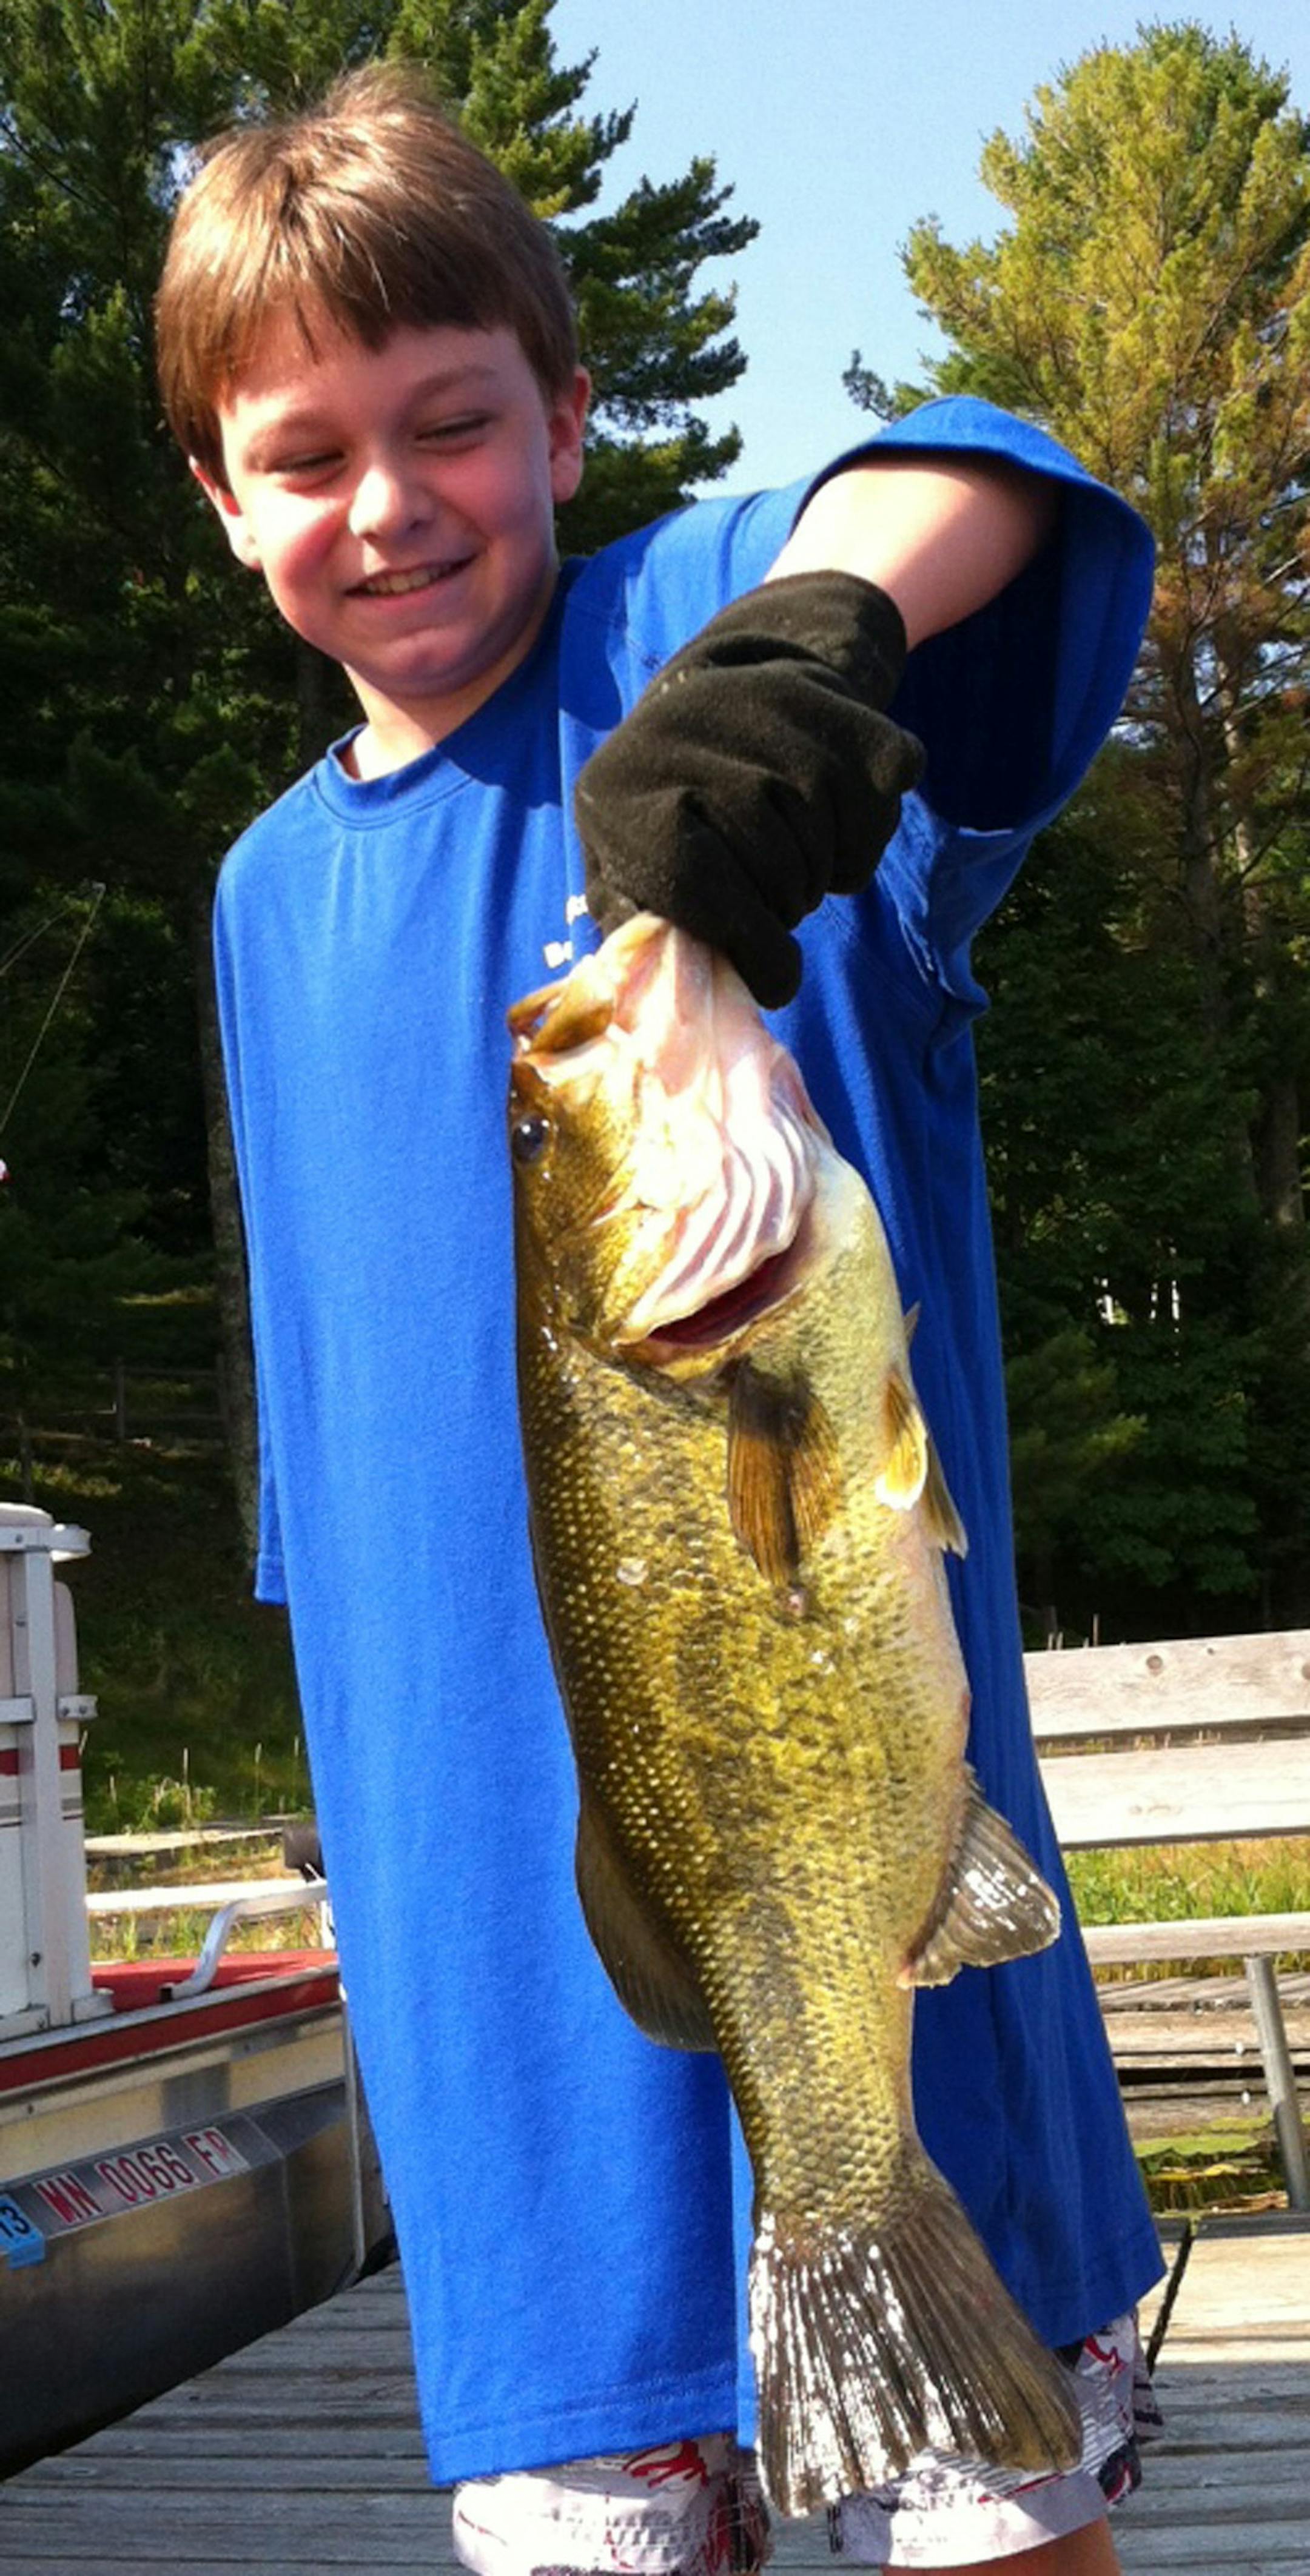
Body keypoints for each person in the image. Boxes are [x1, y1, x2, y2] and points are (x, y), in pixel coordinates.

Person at [155, 62, 1164, 2576]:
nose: (388, 503)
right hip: (511, 1994)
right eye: (303, 454)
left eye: (455, 422)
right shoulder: (267, 900)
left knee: (989, 2537)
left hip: (877, 1910)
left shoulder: (683, 633)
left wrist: (802, 661)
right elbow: (351, 1496)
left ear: (572, 413)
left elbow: (991, 483)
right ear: (217, 496)